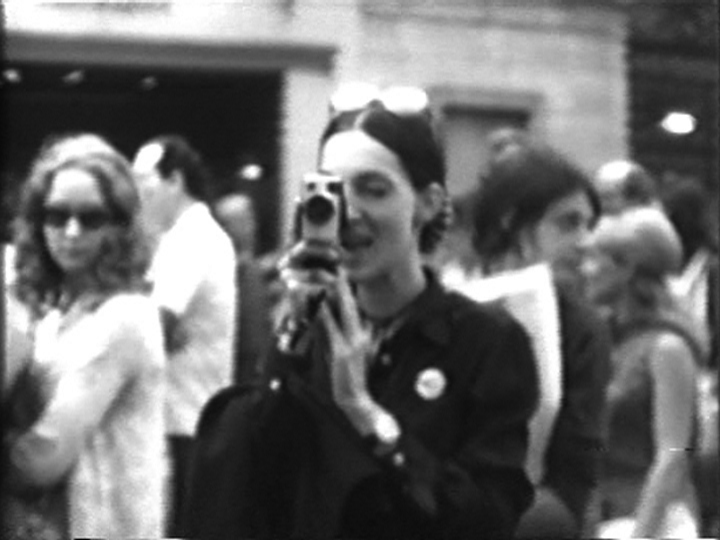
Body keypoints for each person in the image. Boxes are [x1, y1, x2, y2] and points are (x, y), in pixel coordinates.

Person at [182, 86, 540, 539]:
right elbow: (251, 489)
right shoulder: (308, 332)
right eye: (330, 192)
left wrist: (366, 415)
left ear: (427, 203)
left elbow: (487, 521)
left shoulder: (484, 339)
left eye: (374, 190)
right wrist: (290, 341)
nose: (347, 214)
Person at [4, 133, 167, 538]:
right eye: (57, 215)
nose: (71, 232)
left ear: (119, 226)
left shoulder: (125, 316)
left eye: (91, 218)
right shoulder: (55, 313)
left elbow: (44, 456)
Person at [470, 142, 612, 537]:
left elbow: (574, 486)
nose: (587, 241)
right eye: (568, 223)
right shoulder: (448, 299)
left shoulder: (582, 329)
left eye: (589, 225)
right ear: (511, 222)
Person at [131, 134, 236, 536]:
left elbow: (155, 329)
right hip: (188, 417)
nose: (139, 195)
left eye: (146, 182)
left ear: (174, 180)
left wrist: (136, 327)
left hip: (184, 422)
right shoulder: (187, 237)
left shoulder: (190, 239)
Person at [583, 206, 703, 538]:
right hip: (602, 520)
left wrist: (641, 533)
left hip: (653, 524)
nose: (586, 269)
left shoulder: (667, 347)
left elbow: (673, 456)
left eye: (595, 259)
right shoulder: (606, 340)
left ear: (627, 268)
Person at [213, 193, 273, 384]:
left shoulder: (252, 268)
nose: (252, 225)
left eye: (251, 218)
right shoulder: (231, 269)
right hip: (242, 372)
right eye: (244, 219)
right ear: (227, 227)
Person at [592, 159, 661, 216]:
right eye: (600, 198)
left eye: (608, 197)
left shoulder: (650, 222)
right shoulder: (603, 224)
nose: (603, 205)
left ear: (634, 199)